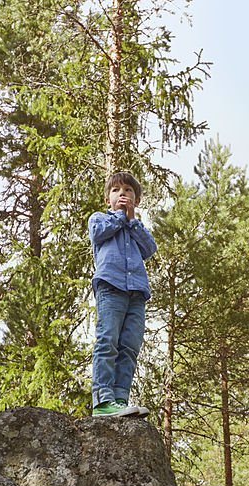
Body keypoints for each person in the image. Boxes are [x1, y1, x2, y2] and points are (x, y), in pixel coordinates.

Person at [88, 171, 156, 417]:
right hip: (110, 286)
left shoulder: (136, 228)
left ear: (136, 200)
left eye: (128, 191)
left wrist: (132, 220)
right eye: (116, 191)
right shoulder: (99, 219)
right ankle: (102, 399)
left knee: (129, 346)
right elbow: (97, 234)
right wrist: (119, 216)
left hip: (136, 293)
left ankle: (119, 400)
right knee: (108, 341)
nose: (122, 195)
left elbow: (150, 248)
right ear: (108, 199)